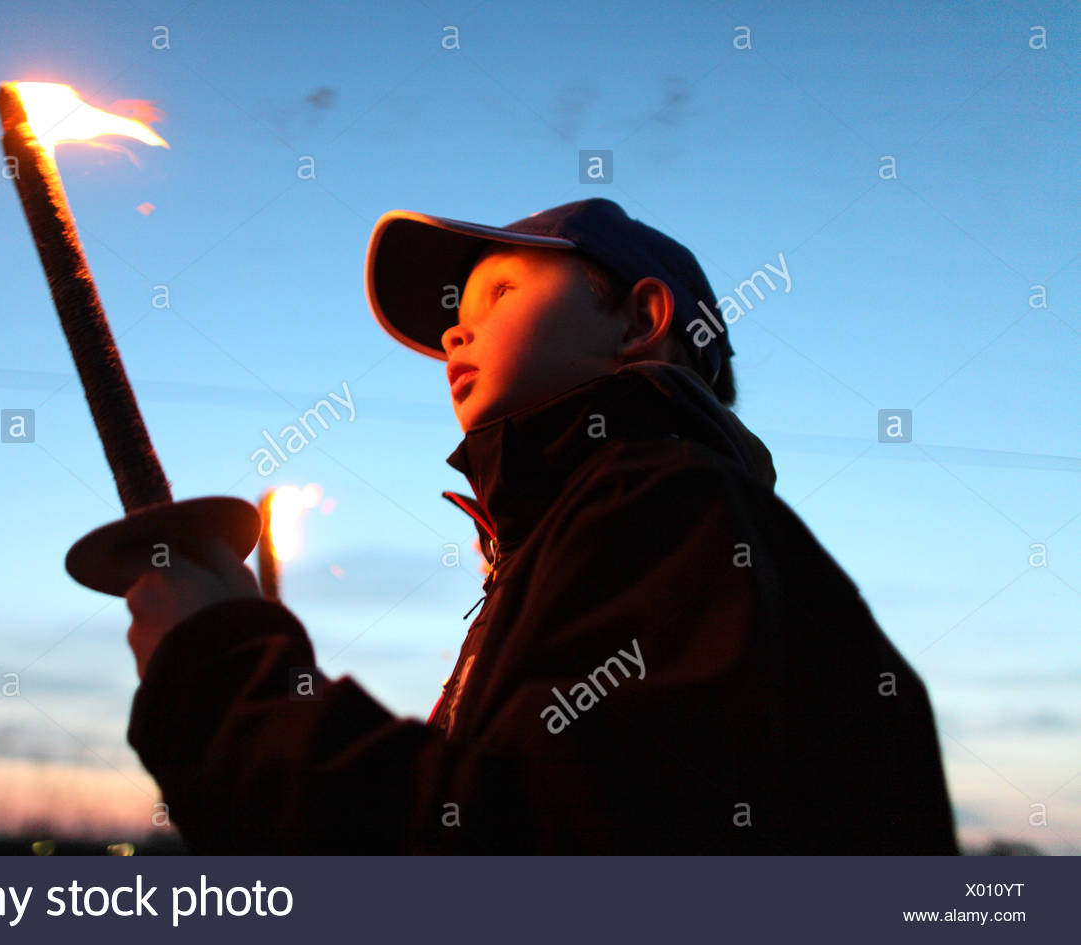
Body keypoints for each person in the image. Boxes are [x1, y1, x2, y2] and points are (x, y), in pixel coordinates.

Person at [124, 197, 960, 854]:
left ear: (638, 323)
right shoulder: (581, 538)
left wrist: (219, 677)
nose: (456, 325)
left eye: (499, 292)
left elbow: (532, 855)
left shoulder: (668, 507)